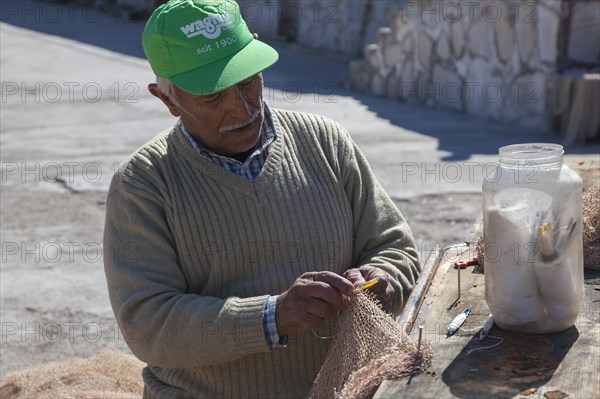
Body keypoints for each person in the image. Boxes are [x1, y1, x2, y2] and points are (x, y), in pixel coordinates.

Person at [103, 0, 420, 397]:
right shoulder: (143, 183)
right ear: (168, 100)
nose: (242, 107)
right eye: (213, 96)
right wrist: (271, 316)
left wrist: (383, 280)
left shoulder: (325, 141)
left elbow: (395, 246)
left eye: (248, 81)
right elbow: (147, 326)